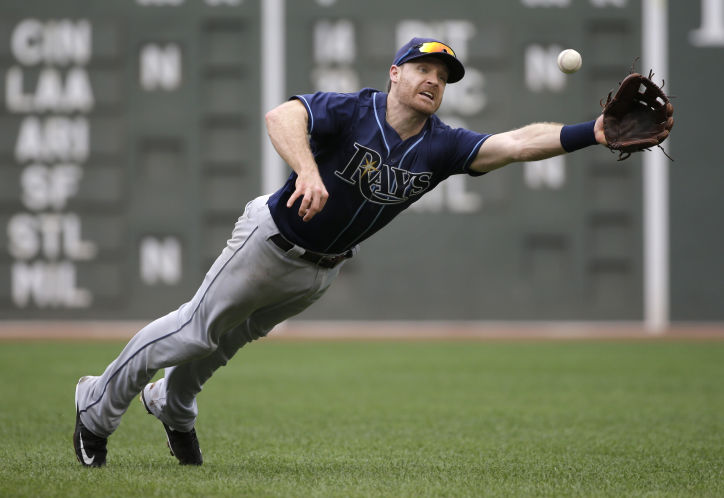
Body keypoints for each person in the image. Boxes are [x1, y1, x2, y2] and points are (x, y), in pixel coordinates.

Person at [73, 37, 607, 467]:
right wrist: (307, 170)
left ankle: (173, 406)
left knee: (225, 343)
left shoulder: (441, 145)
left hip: (317, 273)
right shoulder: (355, 110)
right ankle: (96, 407)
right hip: (270, 241)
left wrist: (595, 132)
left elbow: (514, 145)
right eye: (423, 68)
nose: (433, 81)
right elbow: (281, 117)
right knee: (194, 329)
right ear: (394, 73)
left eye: (442, 78)